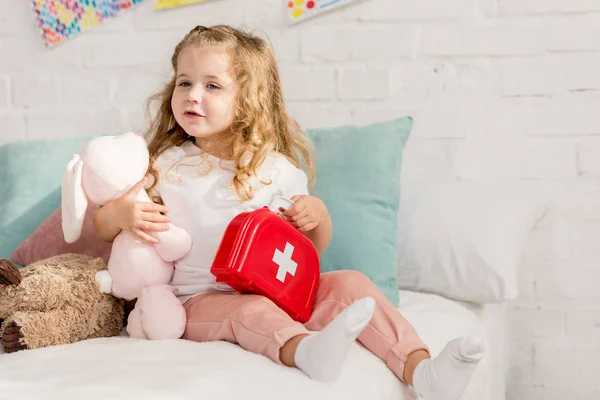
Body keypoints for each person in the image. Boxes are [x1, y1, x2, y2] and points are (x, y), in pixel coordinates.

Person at [93, 25, 484, 400]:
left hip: (279, 291)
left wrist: (317, 217)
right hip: (194, 301)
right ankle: (305, 351)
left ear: (248, 100)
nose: (193, 95)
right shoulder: (164, 164)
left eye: (212, 85)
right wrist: (122, 215)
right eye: (184, 82)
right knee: (250, 310)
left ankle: (423, 371)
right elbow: (104, 225)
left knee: (350, 283)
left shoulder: (276, 170)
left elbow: (310, 250)